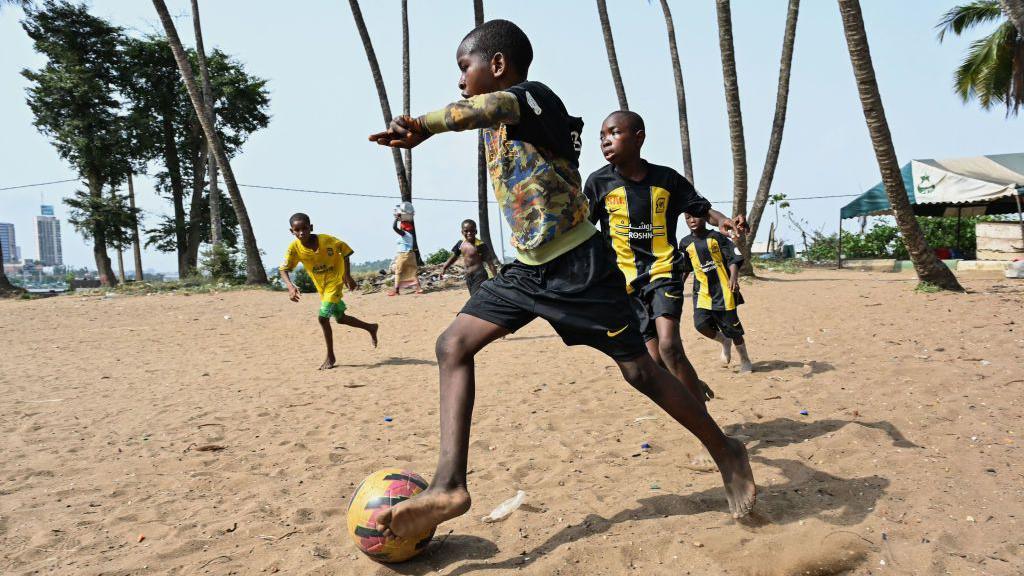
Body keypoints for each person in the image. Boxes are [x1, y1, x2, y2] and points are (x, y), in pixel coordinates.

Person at [368, 19, 756, 539]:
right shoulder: (498, 121)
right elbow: (484, 115)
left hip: (579, 267)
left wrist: (425, 123)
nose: (461, 81)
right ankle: (448, 485)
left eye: (466, 68)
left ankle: (727, 451)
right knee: (452, 345)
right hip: (527, 270)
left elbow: (488, 106)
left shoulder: (532, 99)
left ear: (499, 65)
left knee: (641, 371)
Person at [586, 110, 742, 405]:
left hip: (663, 270)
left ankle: (706, 427)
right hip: (625, 283)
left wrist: (721, 219)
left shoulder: (666, 178)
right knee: (654, 361)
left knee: (670, 346)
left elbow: (700, 207)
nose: (606, 141)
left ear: (639, 137)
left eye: (614, 133)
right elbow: (583, 229)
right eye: (602, 136)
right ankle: (692, 382)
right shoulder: (598, 184)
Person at [279, 213, 378, 370]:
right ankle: (371, 327)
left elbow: (346, 251)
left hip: (335, 281)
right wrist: (290, 286)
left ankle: (330, 357)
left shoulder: (327, 240)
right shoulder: (294, 249)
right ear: (291, 231)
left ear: (311, 227)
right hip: (322, 287)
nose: (302, 233)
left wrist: (347, 275)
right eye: (297, 230)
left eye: (304, 228)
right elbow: (283, 269)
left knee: (323, 318)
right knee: (340, 318)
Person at [680, 212, 753, 373]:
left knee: (733, 330)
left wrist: (733, 277)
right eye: (687, 218)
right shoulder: (685, 243)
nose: (692, 220)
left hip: (723, 291)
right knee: (701, 325)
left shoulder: (717, 237)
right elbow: (685, 268)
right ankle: (723, 341)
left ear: (705, 218)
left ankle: (745, 359)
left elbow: (732, 258)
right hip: (702, 293)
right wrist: (679, 285)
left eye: (695, 216)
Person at [440, 219, 498, 296]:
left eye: (472, 231)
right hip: (468, 276)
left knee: (475, 298)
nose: (469, 233)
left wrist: (497, 279)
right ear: (462, 232)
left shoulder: (480, 245)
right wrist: (444, 268)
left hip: (479, 276)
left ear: (476, 231)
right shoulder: (460, 243)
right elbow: (454, 257)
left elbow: (490, 263)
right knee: (474, 297)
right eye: (466, 231)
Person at [390, 214, 423, 296]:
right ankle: (419, 289)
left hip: (403, 255)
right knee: (413, 272)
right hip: (411, 255)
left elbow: (394, 228)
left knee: (398, 272)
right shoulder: (410, 235)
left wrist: (396, 219)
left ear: (403, 228)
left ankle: (396, 290)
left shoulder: (404, 234)